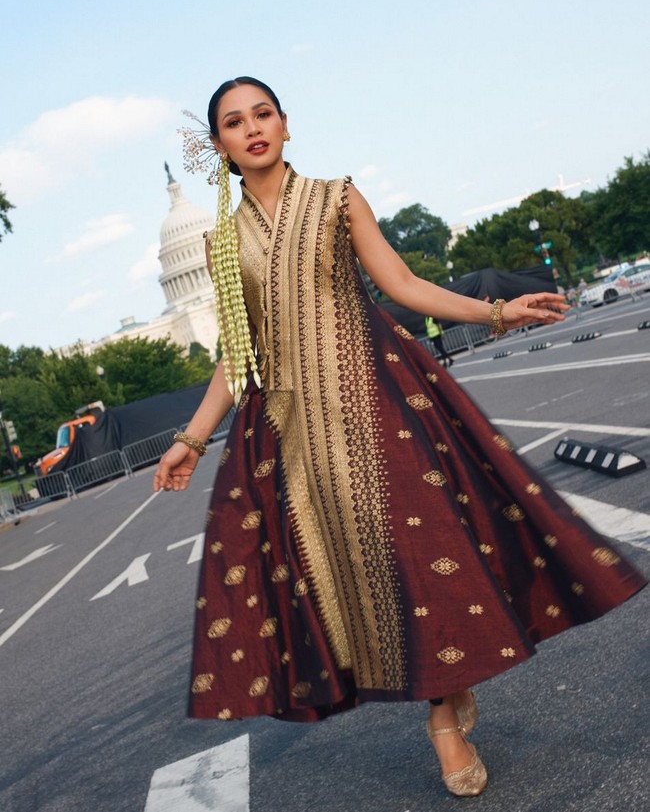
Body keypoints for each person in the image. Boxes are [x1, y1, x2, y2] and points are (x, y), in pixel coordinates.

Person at [154, 77, 646, 799]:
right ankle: (444, 684)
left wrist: (497, 312)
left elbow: (403, 284)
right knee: (349, 576)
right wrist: (192, 440)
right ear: (220, 146)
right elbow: (239, 352)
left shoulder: (337, 198)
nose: (252, 128)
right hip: (292, 436)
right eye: (235, 122)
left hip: (376, 402)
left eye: (263, 114)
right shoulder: (222, 242)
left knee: (417, 556)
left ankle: (442, 719)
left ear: (286, 124)